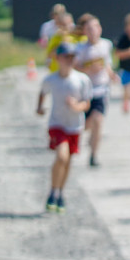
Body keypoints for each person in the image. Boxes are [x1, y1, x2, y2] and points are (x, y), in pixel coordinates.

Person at [36, 42, 93, 213]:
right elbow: (42, 92)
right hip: (57, 124)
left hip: (74, 125)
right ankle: (53, 190)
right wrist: (39, 107)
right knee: (62, 156)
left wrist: (77, 106)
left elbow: (87, 103)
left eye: (72, 57)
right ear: (58, 58)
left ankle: (59, 192)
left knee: (68, 161)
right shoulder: (51, 79)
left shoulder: (82, 80)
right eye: (65, 57)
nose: (69, 60)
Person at [73, 14, 117, 167]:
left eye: (95, 28)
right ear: (84, 31)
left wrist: (112, 75)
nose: (93, 31)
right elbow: (75, 67)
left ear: (100, 29)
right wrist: (88, 69)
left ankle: (93, 155)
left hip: (101, 89)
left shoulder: (106, 45)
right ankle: (84, 141)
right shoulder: (80, 48)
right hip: (85, 90)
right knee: (86, 124)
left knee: (98, 120)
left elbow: (107, 64)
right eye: (89, 29)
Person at [38, 3, 67, 68]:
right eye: (56, 14)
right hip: (51, 57)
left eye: (60, 14)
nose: (58, 16)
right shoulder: (46, 26)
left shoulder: (69, 26)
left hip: (65, 56)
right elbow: (43, 42)